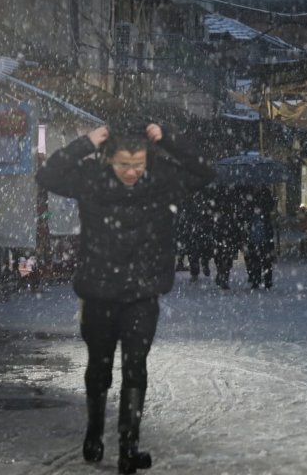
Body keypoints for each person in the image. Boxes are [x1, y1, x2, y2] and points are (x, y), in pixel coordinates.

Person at [35, 122, 214, 474]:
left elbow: (205, 171)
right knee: (99, 367)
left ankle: (129, 446)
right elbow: (49, 176)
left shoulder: (161, 181)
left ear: (148, 161)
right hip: (99, 292)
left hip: (141, 294)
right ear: (107, 160)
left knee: (136, 366)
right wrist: (85, 142)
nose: (131, 172)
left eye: (138, 165)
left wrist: (169, 138)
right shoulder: (91, 178)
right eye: (122, 165)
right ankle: (93, 433)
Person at [245, 187, 276, 289]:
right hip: (256, 235)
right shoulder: (250, 196)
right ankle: (258, 280)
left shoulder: (263, 194)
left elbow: (270, 207)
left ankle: (264, 280)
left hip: (262, 235)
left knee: (263, 260)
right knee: (256, 260)